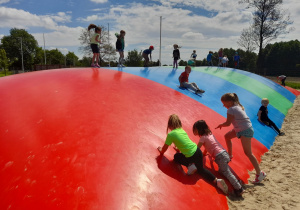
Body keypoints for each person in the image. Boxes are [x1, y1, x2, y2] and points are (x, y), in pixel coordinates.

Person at [157, 114, 228, 194]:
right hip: (198, 151)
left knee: (176, 156)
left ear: (169, 125)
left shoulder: (171, 134)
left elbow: (165, 147)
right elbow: (184, 142)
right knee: (201, 170)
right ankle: (216, 180)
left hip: (191, 156)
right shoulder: (182, 130)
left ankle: (190, 165)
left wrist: (161, 151)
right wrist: (178, 148)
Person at [216, 93, 267, 184]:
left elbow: (228, 123)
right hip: (241, 129)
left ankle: (260, 173)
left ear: (230, 102)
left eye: (224, 103)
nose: (223, 106)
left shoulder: (231, 109)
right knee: (227, 137)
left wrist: (221, 125)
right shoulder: (237, 105)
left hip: (245, 130)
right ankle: (230, 155)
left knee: (248, 153)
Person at [193, 120, 244, 196]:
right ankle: (237, 181)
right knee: (221, 171)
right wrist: (204, 153)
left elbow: (197, 149)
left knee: (227, 172)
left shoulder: (202, 138)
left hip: (220, 157)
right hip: (224, 153)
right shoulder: (210, 134)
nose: (194, 132)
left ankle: (239, 188)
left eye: (195, 130)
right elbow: (207, 146)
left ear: (199, 130)